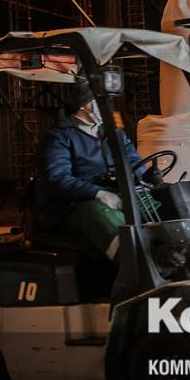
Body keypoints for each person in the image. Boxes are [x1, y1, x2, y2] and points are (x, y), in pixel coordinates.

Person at [33, 81, 148, 260]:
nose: (108, 107)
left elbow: (134, 161)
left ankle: (171, 246)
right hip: (73, 206)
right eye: (102, 102)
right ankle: (134, 261)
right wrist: (98, 193)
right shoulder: (59, 137)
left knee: (155, 201)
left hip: (116, 194)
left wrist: (143, 177)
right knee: (97, 212)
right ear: (85, 105)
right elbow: (57, 178)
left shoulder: (114, 134)